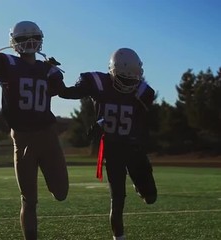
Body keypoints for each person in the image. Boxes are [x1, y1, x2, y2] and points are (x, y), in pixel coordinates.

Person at [0, 20, 69, 240]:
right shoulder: (6, 63)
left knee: (61, 193)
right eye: (23, 38)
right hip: (22, 139)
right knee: (28, 199)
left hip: (48, 136)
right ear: (14, 43)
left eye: (33, 37)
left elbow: (60, 91)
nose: (29, 42)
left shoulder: (46, 68)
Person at [59, 48, 158, 240]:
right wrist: (53, 77)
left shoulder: (144, 92)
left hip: (134, 148)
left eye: (133, 79)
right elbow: (68, 93)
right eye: (125, 79)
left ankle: (140, 186)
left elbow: (142, 121)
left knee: (151, 198)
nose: (130, 84)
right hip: (113, 150)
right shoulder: (99, 83)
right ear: (112, 72)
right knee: (117, 200)